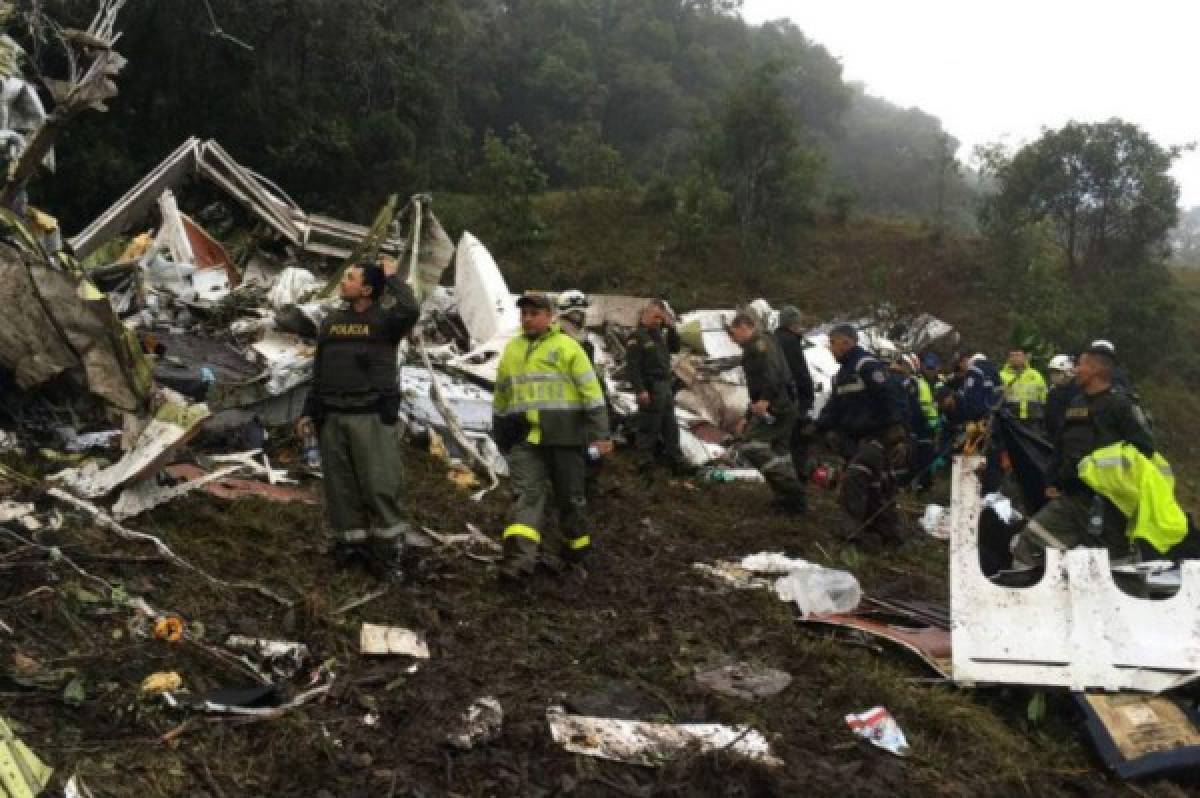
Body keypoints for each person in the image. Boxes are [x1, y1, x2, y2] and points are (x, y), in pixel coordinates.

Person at [296, 257, 420, 580]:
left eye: (350, 278)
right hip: (332, 416)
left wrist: (392, 279)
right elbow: (319, 370)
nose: (343, 282)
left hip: (370, 416)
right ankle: (351, 548)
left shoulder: (386, 322)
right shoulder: (331, 322)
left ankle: (390, 554)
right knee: (341, 488)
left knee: (380, 485)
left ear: (366, 289)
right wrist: (309, 412)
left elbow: (411, 310)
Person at [493, 292, 612, 580]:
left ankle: (574, 555)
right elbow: (502, 394)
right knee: (527, 497)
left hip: (565, 439)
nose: (527, 319)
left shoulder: (569, 349)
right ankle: (520, 562)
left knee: (570, 500)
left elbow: (592, 395)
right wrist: (499, 431)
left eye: (534, 314)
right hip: (526, 440)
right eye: (524, 314)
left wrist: (601, 435)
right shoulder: (512, 350)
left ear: (549, 316)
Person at [1012, 346, 1155, 567]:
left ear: (1096, 369)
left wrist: (1108, 474)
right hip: (1071, 499)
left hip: (1108, 506)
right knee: (1031, 543)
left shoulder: (1121, 405)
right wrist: (1052, 480)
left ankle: (1134, 598)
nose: (1075, 370)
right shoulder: (1076, 403)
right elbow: (1061, 444)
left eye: (1080, 365)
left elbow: (1145, 448)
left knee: (1118, 567)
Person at [816, 324, 908, 541]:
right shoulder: (841, 375)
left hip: (877, 435)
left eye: (833, 343)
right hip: (854, 439)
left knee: (855, 477)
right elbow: (834, 407)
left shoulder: (867, 366)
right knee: (877, 484)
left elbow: (890, 397)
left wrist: (897, 432)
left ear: (847, 342)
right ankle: (887, 531)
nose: (831, 349)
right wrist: (818, 426)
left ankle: (851, 532)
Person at [728, 312, 806, 512]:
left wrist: (765, 399)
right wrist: (748, 415)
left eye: (734, 334)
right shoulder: (757, 345)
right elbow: (756, 386)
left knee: (751, 445)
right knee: (780, 452)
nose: (733, 339)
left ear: (744, 327)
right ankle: (790, 500)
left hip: (778, 404)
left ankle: (792, 490)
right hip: (779, 403)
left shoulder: (760, 344)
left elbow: (773, 373)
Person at [625, 299, 685, 473]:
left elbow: (676, 348)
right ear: (646, 313)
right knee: (649, 425)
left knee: (670, 425)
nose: (658, 320)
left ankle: (675, 460)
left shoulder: (660, 334)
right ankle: (644, 462)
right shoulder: (637, 336)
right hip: (650, 387)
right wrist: (640, 390)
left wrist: (671, 327)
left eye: (661, 317)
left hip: (665, 386)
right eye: (656, 316)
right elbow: (633, 367)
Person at [774, 305, 815, 509]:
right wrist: (807, 398)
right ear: (792, 323)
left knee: (781, 447)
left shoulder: (774, 340)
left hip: (777, 402)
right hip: (792, 402)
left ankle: (783, 491)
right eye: (799, 322)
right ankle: (795, 491)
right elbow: (799, 374)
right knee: (798, 445)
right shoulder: (791, 343)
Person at [999, 348, 1048, 429]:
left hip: (1032, 420)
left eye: (1018, 355)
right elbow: (997, 399)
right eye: (1012, 356)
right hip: (1010, 420)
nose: (1015, 358)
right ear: (1008, 358)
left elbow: (1044, 398)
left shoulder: (1035, 375)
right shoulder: (1001, 376)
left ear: (1024, 357)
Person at [1043, 354, 1076, 443]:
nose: (1052, 376)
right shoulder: (1053, 392)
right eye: (1052, 372)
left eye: (1056, 372)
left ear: (1067, 373)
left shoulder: (1077, 392)